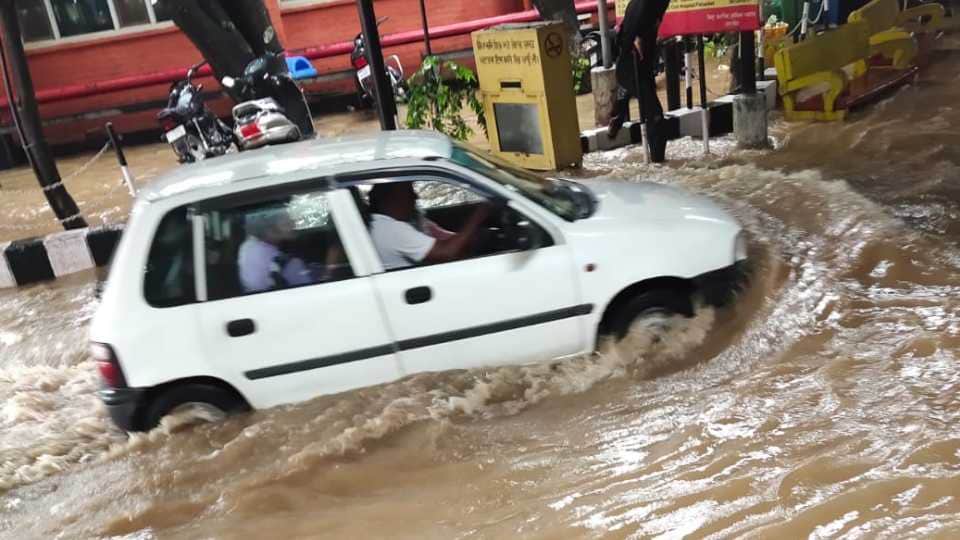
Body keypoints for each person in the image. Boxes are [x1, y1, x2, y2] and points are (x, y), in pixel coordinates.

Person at [368, 182, 490, 271]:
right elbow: (447, 252)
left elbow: (443, 240)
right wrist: (480, 214)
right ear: (392, 199)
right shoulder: (392, 230)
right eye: (409, 191)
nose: (416, 197)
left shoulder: (381, 225)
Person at [608, 0, 671, 163]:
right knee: (655, 116)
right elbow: (628, 36)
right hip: (630, 67)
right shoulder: (643, 5)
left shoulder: (659, 4)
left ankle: (618, 111)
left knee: (652, 113)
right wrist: (635, 40)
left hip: (643, 67)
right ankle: (659, 165)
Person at [238, 208, 312, 292]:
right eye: (286, 223)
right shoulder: (290, 264)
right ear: (269, 230)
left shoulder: (246, 246)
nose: (293, 225)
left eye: (291, 219)